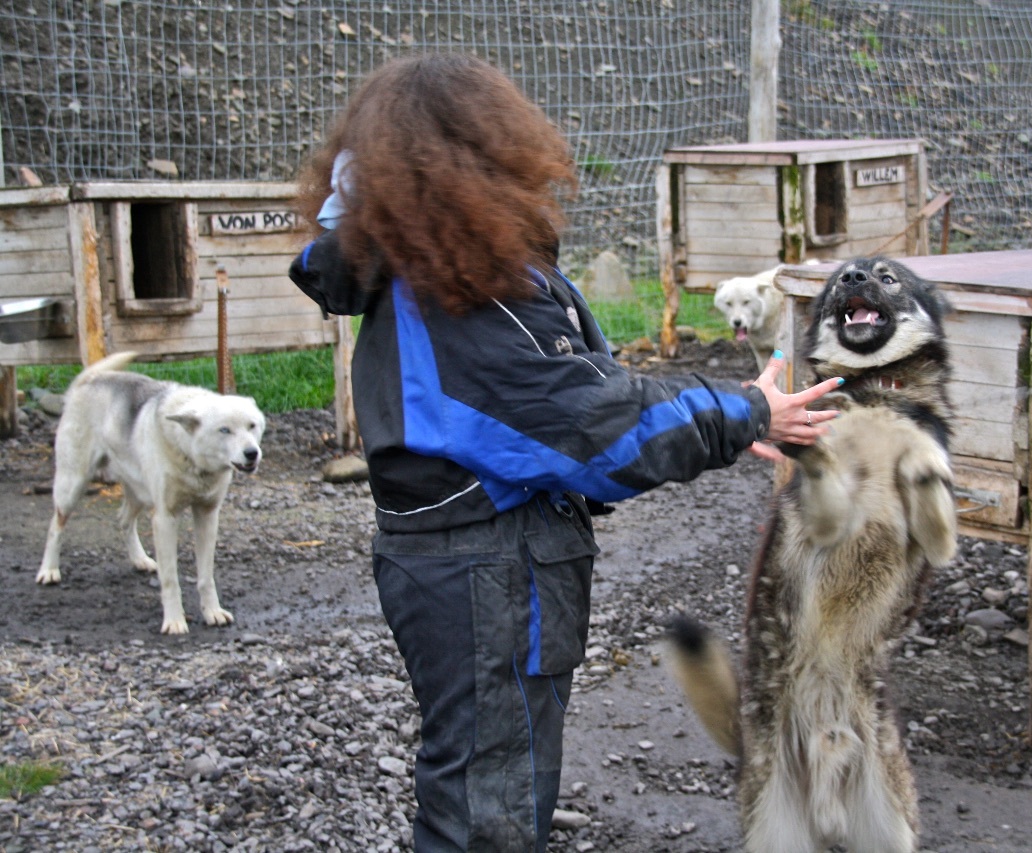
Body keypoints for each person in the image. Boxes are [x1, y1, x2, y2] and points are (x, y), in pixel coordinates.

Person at [288, 51, 842, 853]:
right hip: (487, 571)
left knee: (476, 774)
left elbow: (569, 393)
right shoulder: (462, 298)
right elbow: (588, 424)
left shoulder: (425, 271)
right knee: (487, 808)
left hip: (451, 562)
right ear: (481, 155)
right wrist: (743, 408)